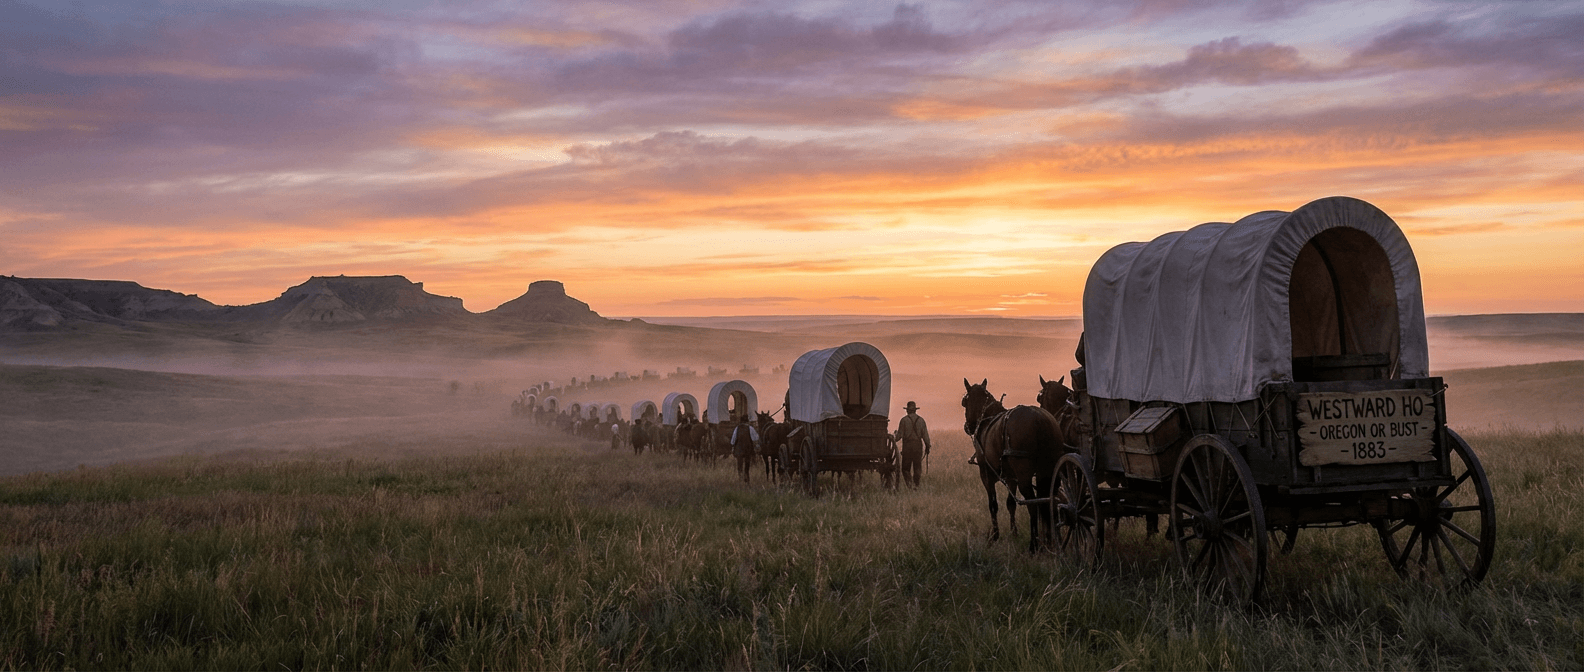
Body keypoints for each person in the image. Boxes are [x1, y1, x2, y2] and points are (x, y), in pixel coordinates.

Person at [894, 400, 931, 488]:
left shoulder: (903, 420)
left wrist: (894, 436)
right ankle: (916, 485)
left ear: (907, 410)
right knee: (917, 467)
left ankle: (909, 485)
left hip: (907, 446)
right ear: (915, 410)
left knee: (905, 468)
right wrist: (927, 447)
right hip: (918, 446)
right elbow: (926, 436)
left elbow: (898, 437)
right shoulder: (921, 420)